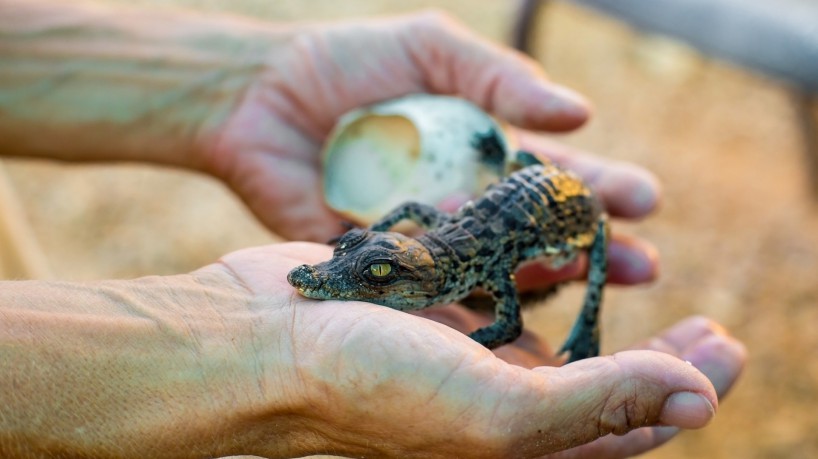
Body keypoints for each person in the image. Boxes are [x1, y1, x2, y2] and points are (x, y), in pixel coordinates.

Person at [0, 1, 746, 458]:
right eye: (362, 265)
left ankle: (585, 316)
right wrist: (263, 345)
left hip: (557, 210)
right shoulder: (433, 250)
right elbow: (415, 231)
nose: (335, 280)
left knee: (597, 246)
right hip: (498, 206)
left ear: (420, 280)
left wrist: (476, 338)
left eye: (374, 276)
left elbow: (501, 306)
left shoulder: (471, 265)